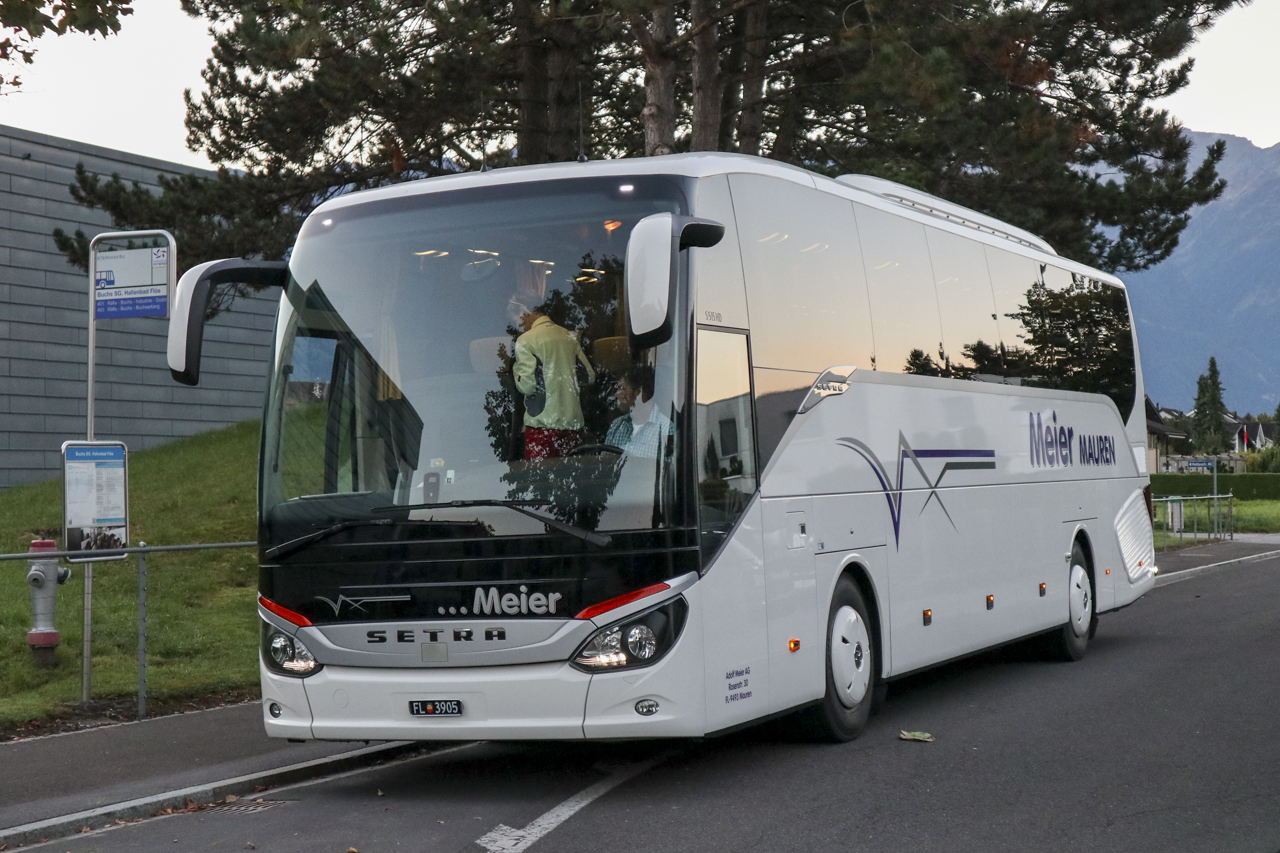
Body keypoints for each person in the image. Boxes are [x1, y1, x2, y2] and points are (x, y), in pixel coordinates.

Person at [512, 305, 595, 460]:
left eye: (516, 317)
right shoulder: (569, 337)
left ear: (525, 311)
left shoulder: (526, 340)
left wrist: (516, 371)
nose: (517, 323)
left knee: (540, 479)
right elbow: (588, 377)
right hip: (572, 426)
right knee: (570, 477)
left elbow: (527, 386)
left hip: (541, 428)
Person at [605, 364, 672, 458]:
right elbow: (604, 466)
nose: (616, 394)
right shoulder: (617, 426)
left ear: (639, 394)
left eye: (622, 388)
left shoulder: (665, 429)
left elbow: (668, 471)